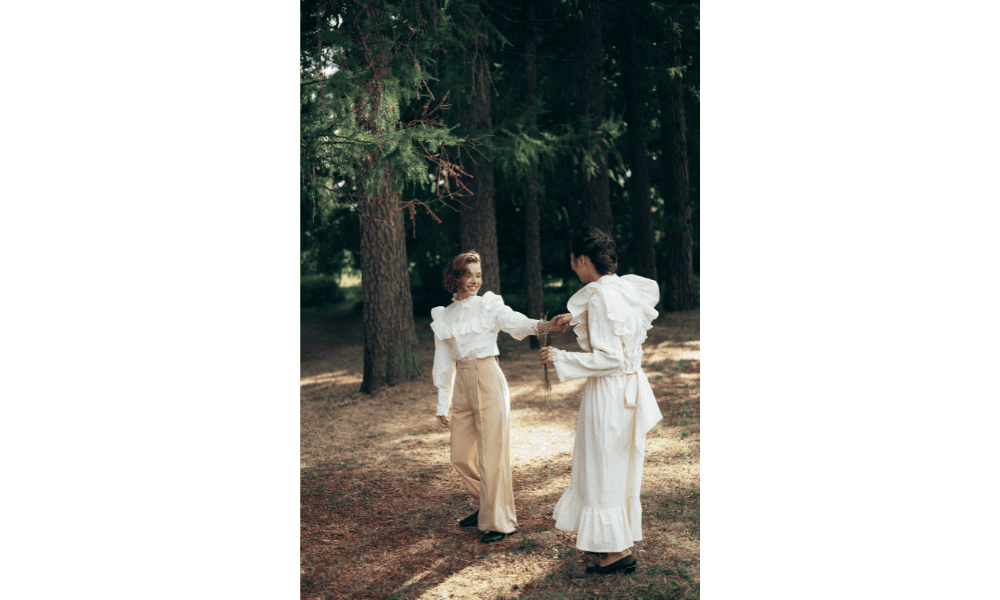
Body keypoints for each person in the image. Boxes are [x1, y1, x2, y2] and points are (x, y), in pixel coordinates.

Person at [539, 227, 662, 575]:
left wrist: (561, 358)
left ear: (581, 259)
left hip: (609, 392)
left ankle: (618, 551)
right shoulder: (624, 286)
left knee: (602, 467)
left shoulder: (599, 298)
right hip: (628, 390)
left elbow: (610, 357)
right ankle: (616, 543)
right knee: (616, 467)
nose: (573, 266)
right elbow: (615, 323)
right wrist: (575, 318)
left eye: (573, 260)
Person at [431, 250, 541, 543]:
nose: (474, 281)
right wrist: (443, 402)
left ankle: (498, 522)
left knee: (492, 455)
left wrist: (541, 326)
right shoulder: (445, 315)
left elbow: (513, 322)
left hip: (488, 377)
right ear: (455, 277)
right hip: (463, 383)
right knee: (460, 455)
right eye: (468, 275)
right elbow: (443, 359)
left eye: (478, 275)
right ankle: (487, 504)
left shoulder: (488, 305)